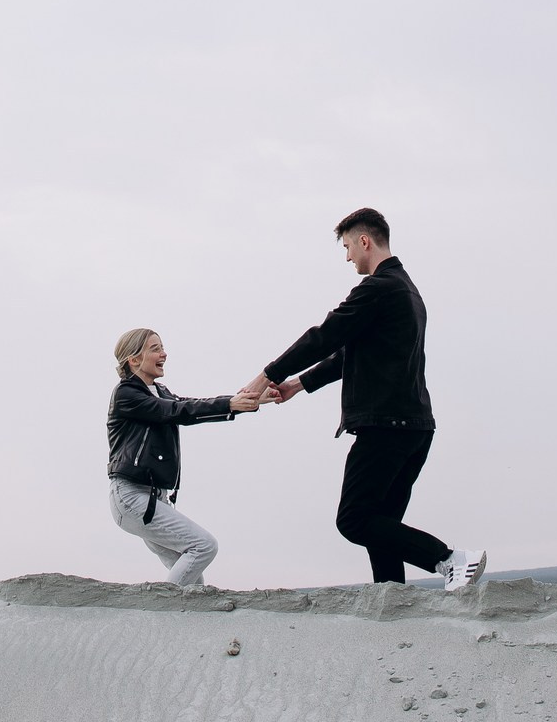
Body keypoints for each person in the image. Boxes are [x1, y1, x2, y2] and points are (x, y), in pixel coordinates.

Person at [244, 208, 485, 592]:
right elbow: (347, 354)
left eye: (347, 247)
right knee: (381, 527)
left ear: (364, 241)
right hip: (414, 427)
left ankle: (449, 559)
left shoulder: (378, 289)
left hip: (387, 426)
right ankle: (393, 603)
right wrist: (297, 385)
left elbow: (325, 336)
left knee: (354, 519)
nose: (347, 257)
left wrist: (267, 376)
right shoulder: (408, 291)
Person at [107, 327, 263, 589]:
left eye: (162, 347)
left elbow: (190, 404)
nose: (164, 354)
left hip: (155, 497)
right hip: (131, 496)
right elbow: (178, 411)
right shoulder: (127, 394)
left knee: (193, 580)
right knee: (204, 546)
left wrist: (247, 402)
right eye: (155, 349)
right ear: (134, 360)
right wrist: (231, 404)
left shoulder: (160, 391)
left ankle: (179, 622)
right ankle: (162, 615)